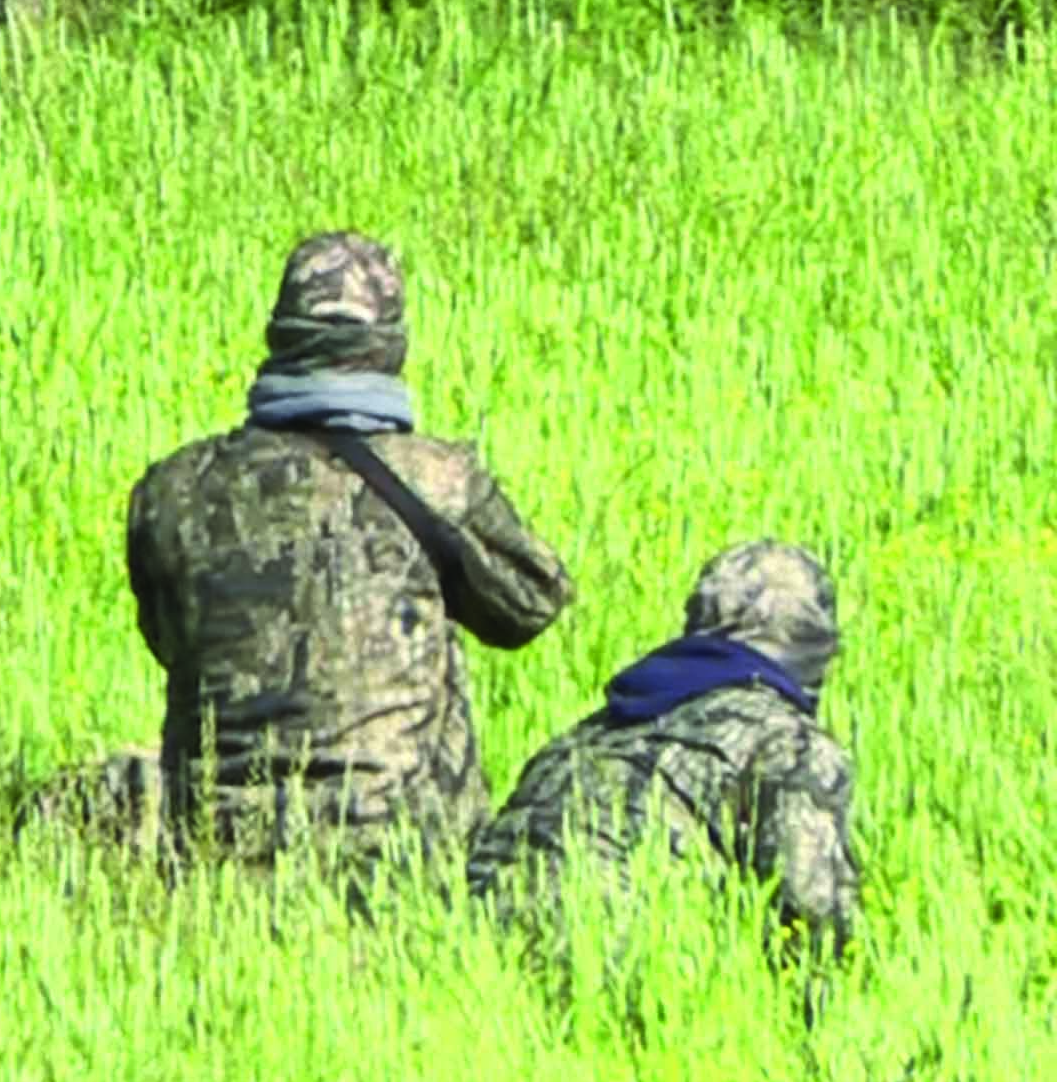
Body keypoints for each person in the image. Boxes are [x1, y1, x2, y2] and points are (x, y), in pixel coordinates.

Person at [120, 231, 575, 880]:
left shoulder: (174, 489)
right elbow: (531, 606)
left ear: (280, 335)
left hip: (217, 845)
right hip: (395, 849)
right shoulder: (438, 480)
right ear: (391, 345)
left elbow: (168, 638)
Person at [466, 539, 861, 957]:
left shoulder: (597, 727)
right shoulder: (788, 742)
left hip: (478, 954)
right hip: (616, 960)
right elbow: (815, 911)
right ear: (813, 644)